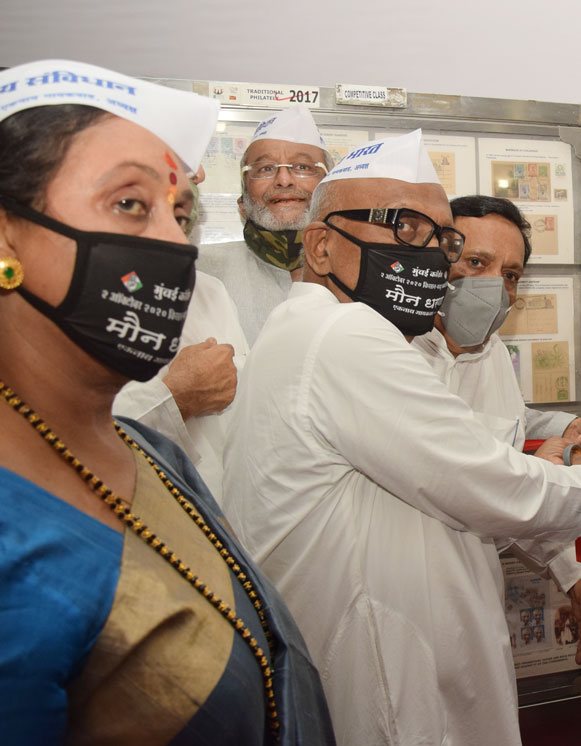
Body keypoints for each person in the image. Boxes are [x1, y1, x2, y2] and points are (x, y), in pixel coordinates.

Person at [220, 131, 581, 746]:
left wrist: (551, 451)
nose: (429, 255)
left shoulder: (313, 330)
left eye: (440, 239)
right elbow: (481, 479)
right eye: (403, 229)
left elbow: (460, 442)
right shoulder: (346, 333)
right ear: (321, 246)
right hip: (384, 683)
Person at [0, 59, 333, 744]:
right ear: (7, 236)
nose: (172, 243)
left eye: (180, 214)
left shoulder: (151, 459)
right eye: (130, 203)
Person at [411, 194, 581, 678]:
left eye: (510, 274)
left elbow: (504, 429)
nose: (494, 285)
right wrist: (576, 475)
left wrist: (577, 571)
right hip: (409, 615)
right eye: (474, 262)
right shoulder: (398, 353)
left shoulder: (489, 353)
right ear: (434, 260)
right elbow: (479, 480)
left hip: (474, 607)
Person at [113, 171, 247, 504]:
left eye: (180, 216)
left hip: (217, 513)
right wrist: (176, 397)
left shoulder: (208, 290)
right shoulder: (43, 294)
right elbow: (56, 439)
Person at [196, 105, 334, 343]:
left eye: (302, 167)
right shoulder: (199, 272)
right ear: (242, 203)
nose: (283, 180)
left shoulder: (365, 271)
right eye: (265, 169)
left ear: (333, 191)